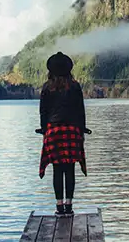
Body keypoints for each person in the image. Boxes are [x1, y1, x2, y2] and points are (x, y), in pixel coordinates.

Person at [38, 51, 91, 216]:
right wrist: (82, 128)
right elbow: (80, 111)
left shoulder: (47, 87)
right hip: (72, 131)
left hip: (53, 132)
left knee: (57, 169)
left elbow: (43, 112)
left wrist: (44, 130)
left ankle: (59, 207)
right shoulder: (74, 86)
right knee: (70, 169)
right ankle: (69, 206)